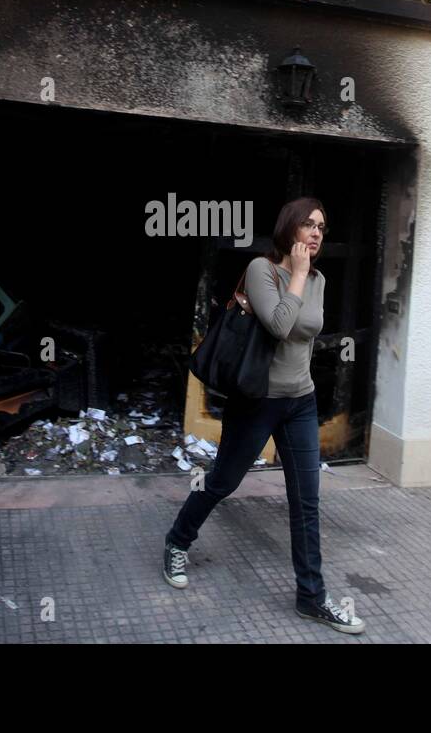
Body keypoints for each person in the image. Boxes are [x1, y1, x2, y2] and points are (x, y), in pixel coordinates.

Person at [163, 196, 364, 634]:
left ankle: (311, 598)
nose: (315, 233)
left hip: (301, 401)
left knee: (306, 500)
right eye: (308, 225)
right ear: (289, 228)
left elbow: (310, 324)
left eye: (322, 228)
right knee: (223, 482)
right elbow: (279, 325)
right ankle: (178, 540)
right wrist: (295, 277)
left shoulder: (319, 278)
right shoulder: (262, 270)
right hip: (257, 400)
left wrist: (301, 282)